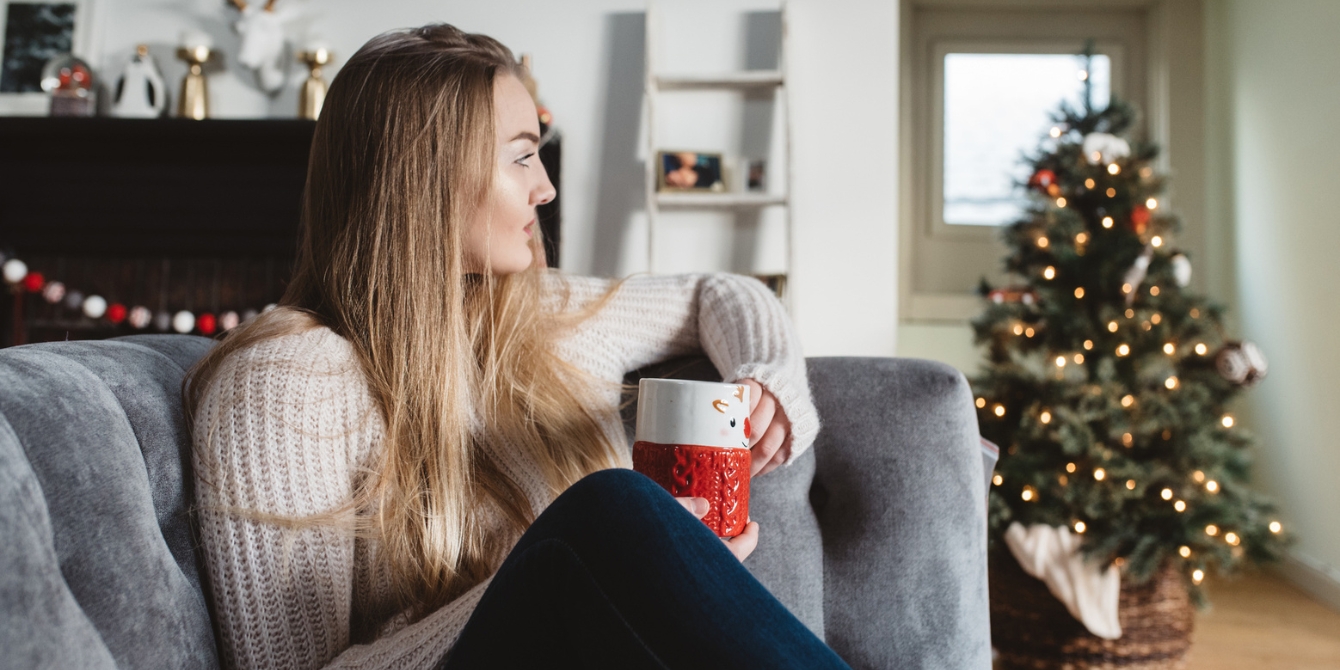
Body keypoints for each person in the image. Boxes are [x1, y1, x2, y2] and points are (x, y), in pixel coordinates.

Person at [184, 24, 849, 670]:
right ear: (428, 173)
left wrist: (766, 383)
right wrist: (594, 571)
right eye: (523, 154)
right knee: (608, 515)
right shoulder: (286, 379)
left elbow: (721, 292)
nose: (547, 188)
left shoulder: (546, 315)